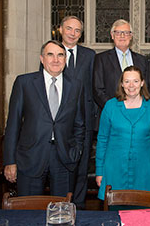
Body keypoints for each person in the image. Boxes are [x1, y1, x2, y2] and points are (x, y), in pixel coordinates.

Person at [3, 40, 85, 196]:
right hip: (30, 157)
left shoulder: (76, 86)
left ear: (65, 59)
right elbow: (13, 124)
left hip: (64, 158)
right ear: (42, 58)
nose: (56, 59)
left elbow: (79, 123)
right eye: (50, 55)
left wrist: (76, 150)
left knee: (62, 213)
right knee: (29, 213)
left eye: (60, 55)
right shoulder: (24, 83)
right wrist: (10, 161)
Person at [95, 66, 150, 200]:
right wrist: (99, 171)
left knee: (142, 214)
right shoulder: (110, 106)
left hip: (144, 171)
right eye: (127, 81)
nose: (131, 85)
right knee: (114, 215)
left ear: (142, 83)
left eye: (136, 81)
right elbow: (102, 140)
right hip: (114, 170)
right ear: (121, 84)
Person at [59, 15, 96, 209]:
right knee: (61, 169)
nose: (73, 33)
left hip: (84, 123)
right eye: (69, 29)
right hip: (59, 124)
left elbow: (93, 87)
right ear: (61, 30)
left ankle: (80, 208)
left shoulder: (89, 56)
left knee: (82, 168)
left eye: (77, 30)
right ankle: (61, 208)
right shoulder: (53, 53)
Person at [93, 19, 148, 109]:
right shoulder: (101, 59)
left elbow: (146, 87)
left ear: (131, 36)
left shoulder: (142, 60)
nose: (122, 36)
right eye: (118, 33)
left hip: (138, 111)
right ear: (112, 36)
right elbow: (98, 90)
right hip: (112, 112)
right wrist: (113, 109)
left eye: (126, 33)